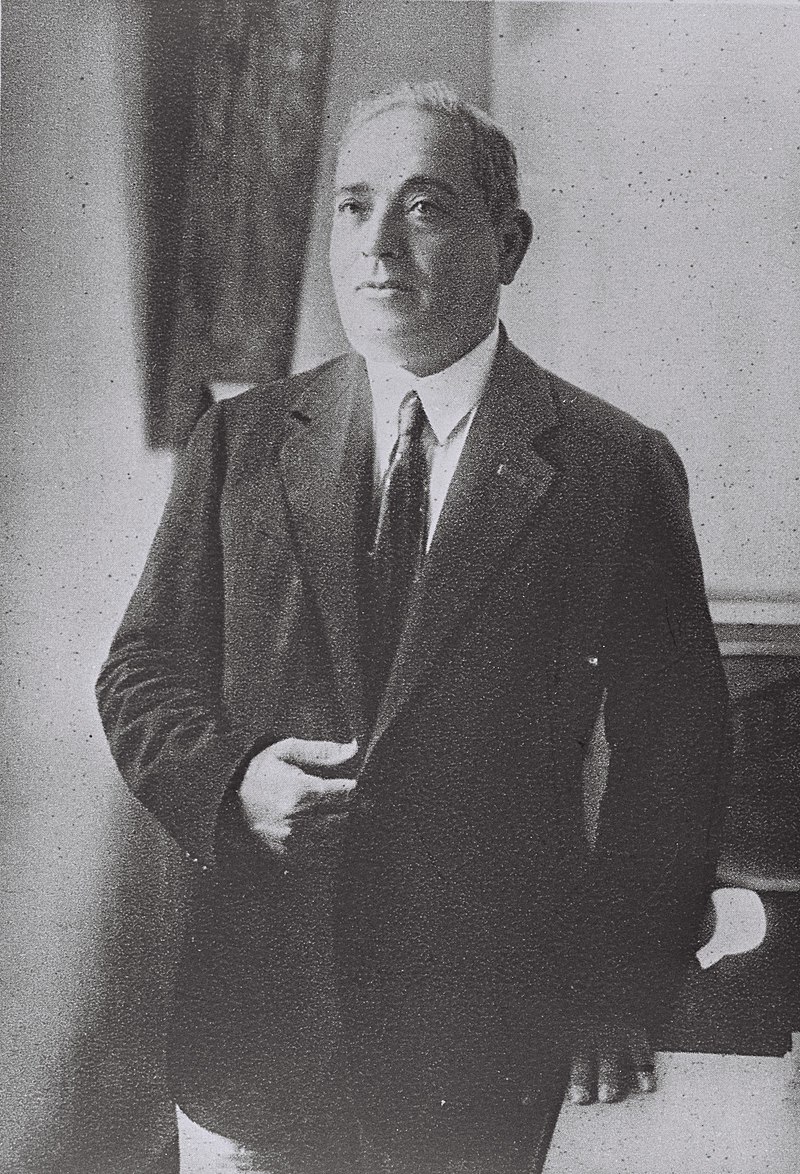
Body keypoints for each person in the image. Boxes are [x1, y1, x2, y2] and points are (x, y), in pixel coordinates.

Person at [97, 82, 729, 1174]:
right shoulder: (240, 443)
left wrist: (617, 989)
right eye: (353, 206)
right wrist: (233, 780)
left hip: (486, 1041)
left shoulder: (612, 468)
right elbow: (141, 671)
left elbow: (676, 751)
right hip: (259, 1029)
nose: (377, 244)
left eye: (425, 206)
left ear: (508, 243)